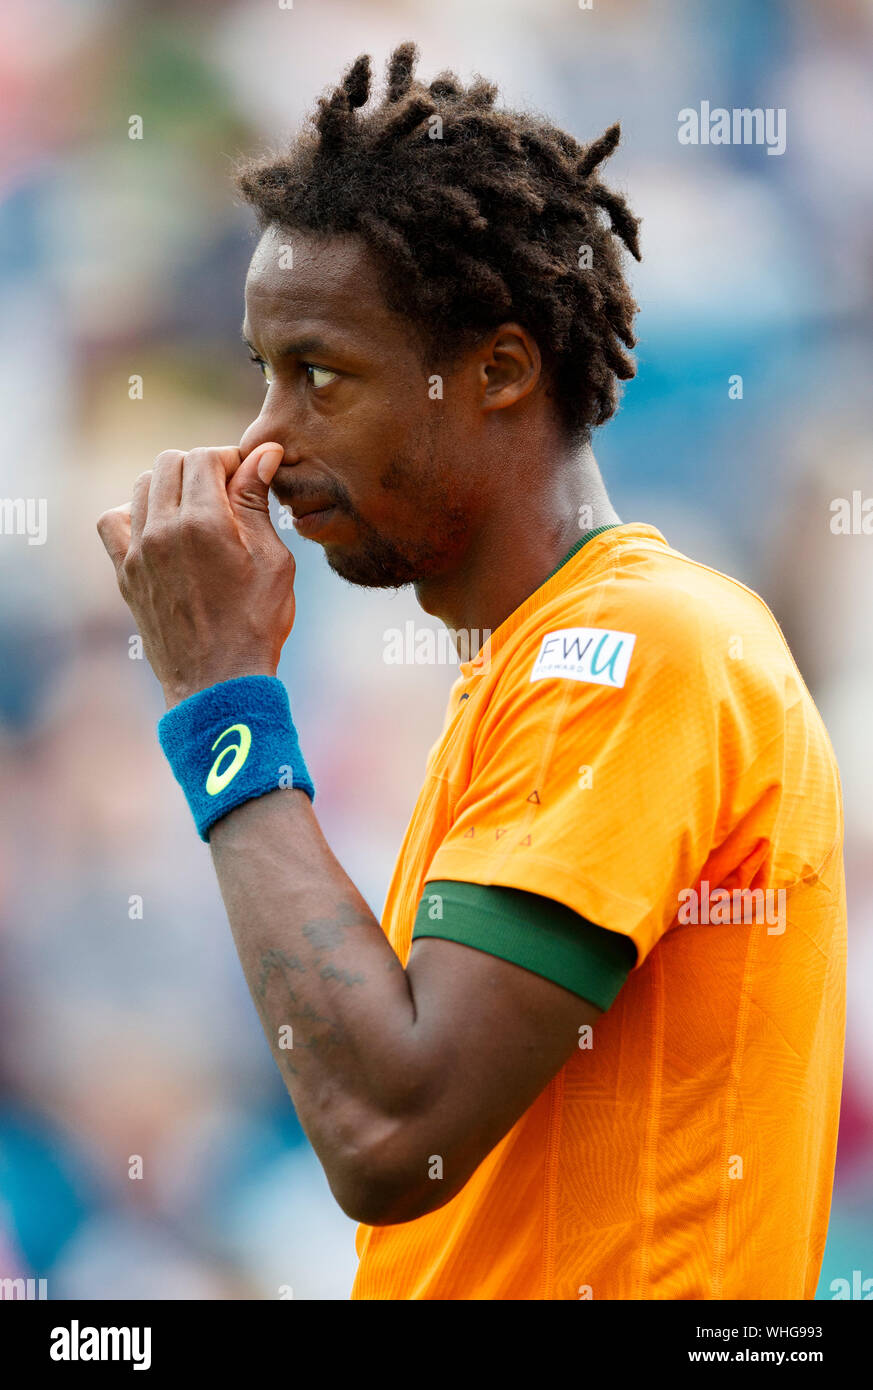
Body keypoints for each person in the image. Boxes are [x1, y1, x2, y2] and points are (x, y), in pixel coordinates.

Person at [96, 43, 846, 1300]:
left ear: (499, 371)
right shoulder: (529, 671)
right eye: (262, 374)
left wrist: (223, 700)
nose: (263, 442)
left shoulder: (641, 649)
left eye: (320, 376)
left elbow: (396, 1132)